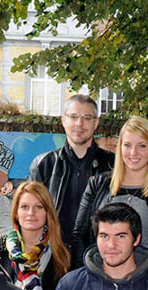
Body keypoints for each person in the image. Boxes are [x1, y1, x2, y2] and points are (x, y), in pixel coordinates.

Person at [28, 94, 114, 255]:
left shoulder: (113, 166)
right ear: (63, 120)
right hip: (53, 257)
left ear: (96, 123)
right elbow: (28, 214)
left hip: (99, 257)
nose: (79, 123)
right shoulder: (43, 165)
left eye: (87, 117)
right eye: (73, 116)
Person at [72, 116, 148, 260]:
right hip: (98, 271)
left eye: (142, 145)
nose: (133, 152)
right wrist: (87, 271)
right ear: (119, 147)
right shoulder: (98, 184)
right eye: (127, 145)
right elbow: (80, 235)